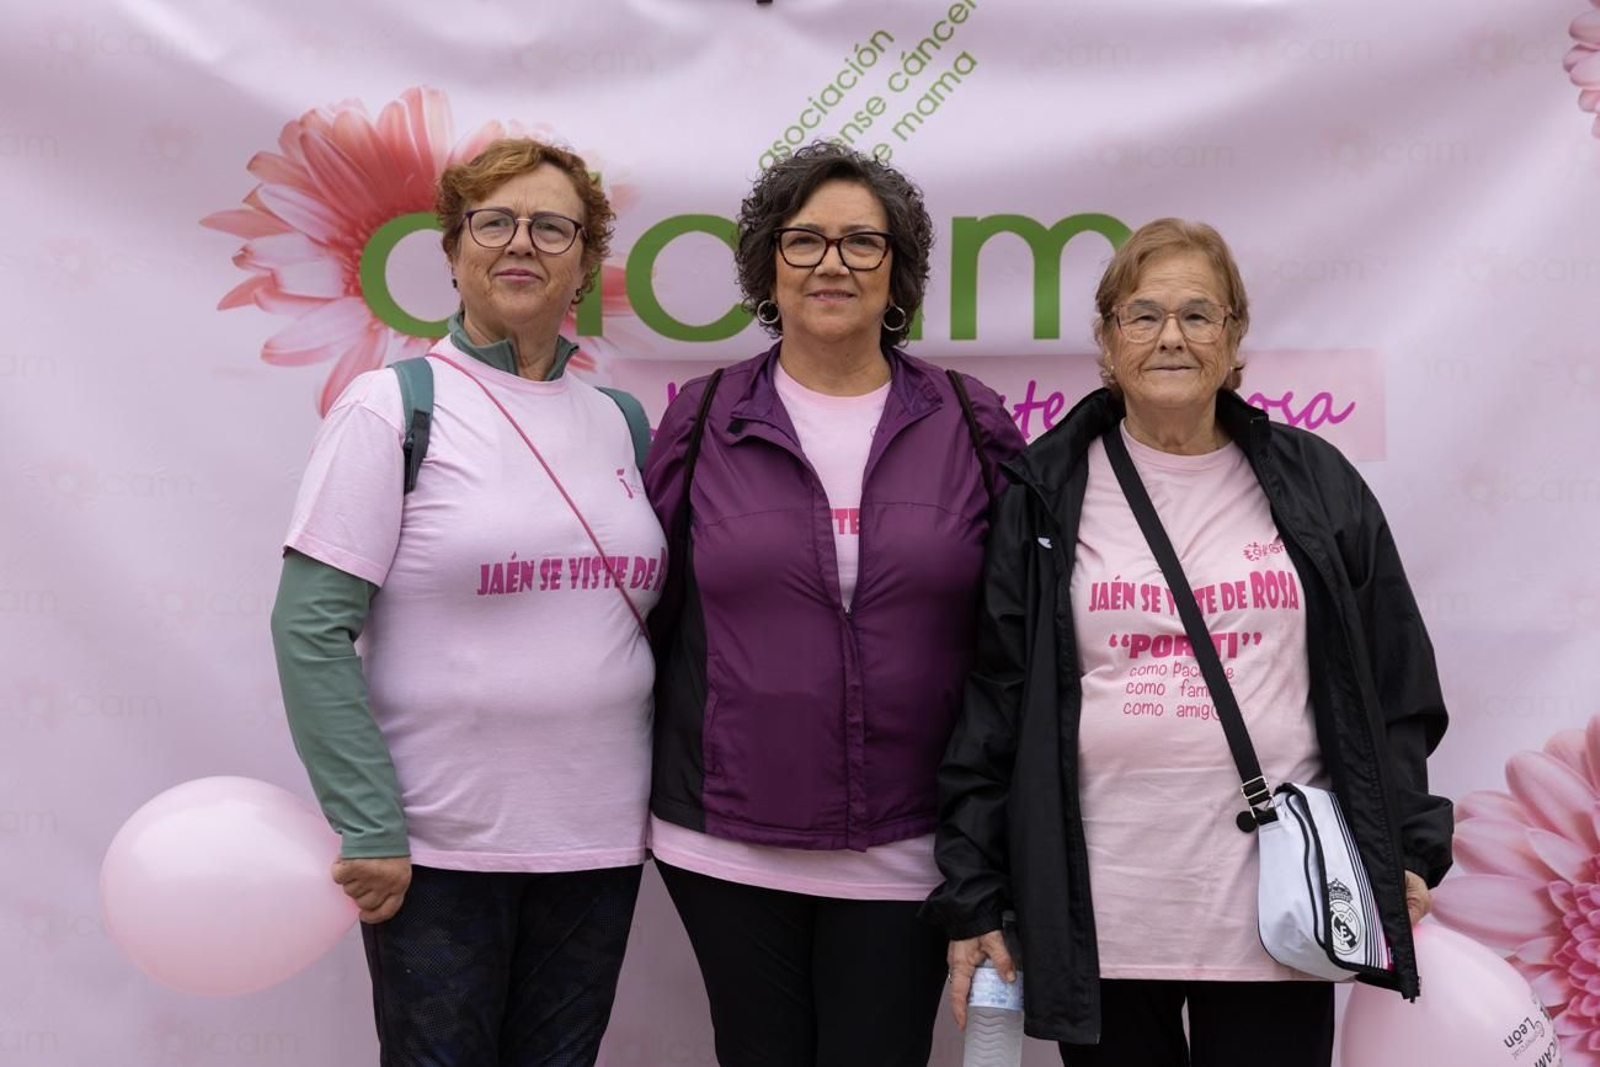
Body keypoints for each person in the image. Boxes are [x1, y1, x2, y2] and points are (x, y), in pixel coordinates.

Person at [924, 218, 1453, 1067]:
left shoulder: (1317, 485)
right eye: (1144, 314)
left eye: (1199, 314)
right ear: (1106, 340)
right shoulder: (1045, 490)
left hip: (1281, 914)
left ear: (1235, 336)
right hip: (1103, 912)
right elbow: (995, 700)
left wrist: (1410, 846)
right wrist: (977, 892)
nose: (1171, 335)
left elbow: (1395, 687)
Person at [269, 137, 662, 1066]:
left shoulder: (621, 419)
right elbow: (310, 627)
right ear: (454, 249)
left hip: (597, 843)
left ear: (584, 261)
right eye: (493, 221)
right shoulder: (392, 407)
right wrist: (369, 822)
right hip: (440, 853)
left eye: (551, 225)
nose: (520, 243)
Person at [644, 142, 1025, 1067]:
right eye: (805, 240)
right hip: (728, 840)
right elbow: (647, 615)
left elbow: (1013, 641)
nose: (832, 263)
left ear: (898, 271)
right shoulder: (702, 417)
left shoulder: (970, 422)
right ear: (768, 264)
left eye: (862, 243)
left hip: (912, 840)